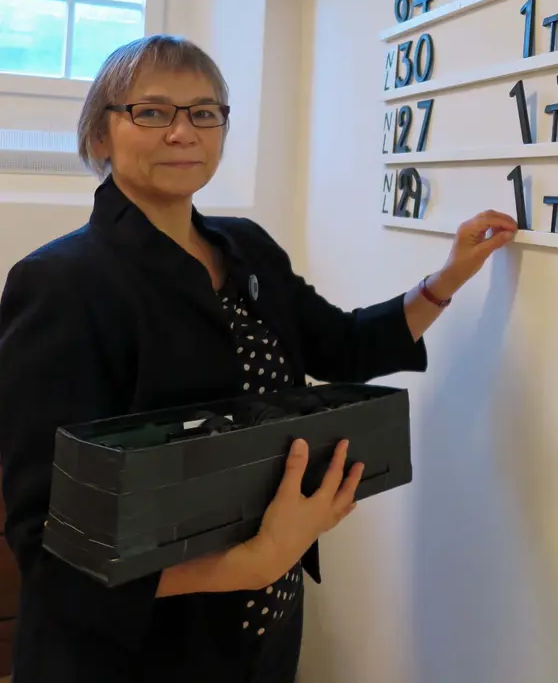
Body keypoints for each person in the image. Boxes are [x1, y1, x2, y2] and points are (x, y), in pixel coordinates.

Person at [0, 34, 517, 683]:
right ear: (101, 134)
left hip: (262, 623)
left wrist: (446, 279)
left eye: (204, 111)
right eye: (153, 111)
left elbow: (341, 344)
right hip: (137, 652)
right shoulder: (60, 283)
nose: (183, 132)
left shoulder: (244, 246)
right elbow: (44, 538)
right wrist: (246, 565)